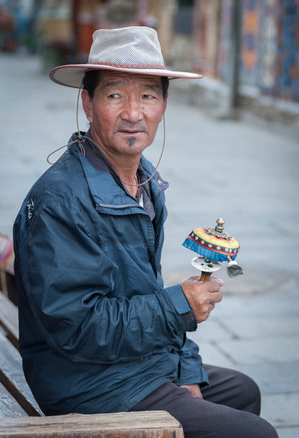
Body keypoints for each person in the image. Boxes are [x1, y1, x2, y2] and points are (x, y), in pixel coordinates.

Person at [13, 26, 278, 438]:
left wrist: (186, 367)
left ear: (164, 105)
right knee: (253, 432)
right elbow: (77, 328)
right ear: (88, 102)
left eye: (148, 96)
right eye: (115, 94)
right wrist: (179, 306)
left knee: (243, 392)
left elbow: (145, 289)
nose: (134, 113)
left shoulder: (146, 183)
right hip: (90, 385)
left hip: (132, 362)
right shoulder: (60, 202)